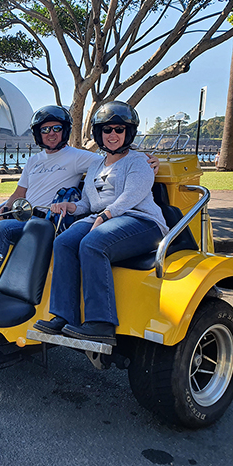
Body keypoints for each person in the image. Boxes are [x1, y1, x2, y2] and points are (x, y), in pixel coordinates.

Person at [0, 105, 160, 297]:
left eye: (56, 128)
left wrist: (148, 159)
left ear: (64, 131)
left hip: (45, 220)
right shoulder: (33, 160)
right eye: (45, 129)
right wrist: (2, 208)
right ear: (38, 134)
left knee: (4, 228)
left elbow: (113, 156)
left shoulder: (78, 157)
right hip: (21, 213)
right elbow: (19, 193)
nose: (51, 133)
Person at [33, 101, 169, 345]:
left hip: (140, 220)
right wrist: (70, 207)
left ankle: (101, 324)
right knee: (63, 242)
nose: (113, 135)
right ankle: (65, 316)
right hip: (102, 219)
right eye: (107, 130)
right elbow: (88, 203)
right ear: (99, 134)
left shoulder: (138, 161)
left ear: (128, 132)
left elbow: (132, 196)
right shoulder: (96, 164)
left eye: (119, 129)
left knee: (93, 243)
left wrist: (105, 215)